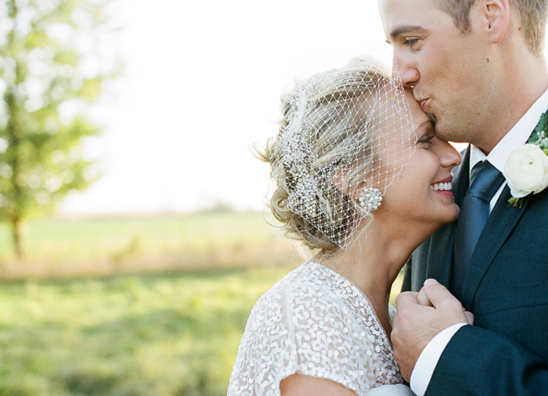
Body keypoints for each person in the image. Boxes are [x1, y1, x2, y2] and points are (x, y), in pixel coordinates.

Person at [227, 56, 463, 395]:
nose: (453, 155)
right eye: (425, 139)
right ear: (357, 179)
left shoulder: (399, 318)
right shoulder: (308, 314)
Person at [379, 0, 548, 394]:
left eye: (412, 40)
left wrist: (445, 356)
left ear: (491, 16)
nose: (398, 75)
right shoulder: (431, 197)